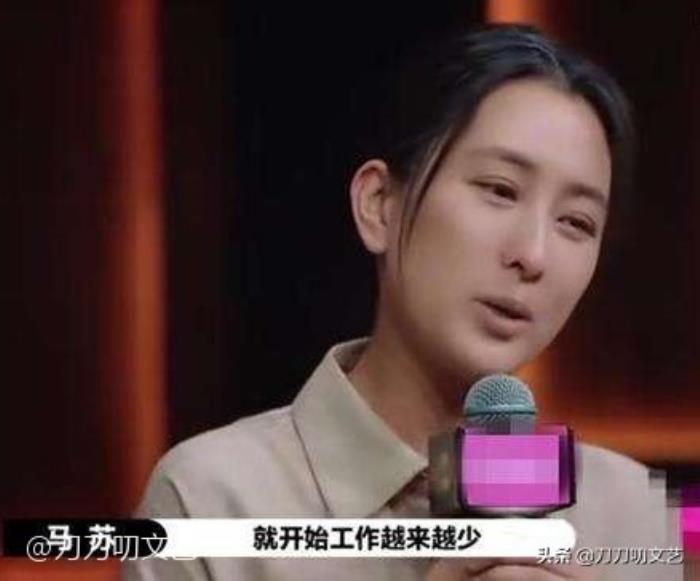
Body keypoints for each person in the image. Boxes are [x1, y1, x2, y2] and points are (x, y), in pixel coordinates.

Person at [122, 24, 680, 581]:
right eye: (499, 190)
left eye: (576, 222)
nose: (533, 255)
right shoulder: (211, 502)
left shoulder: (635, 517)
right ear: (379, 204)